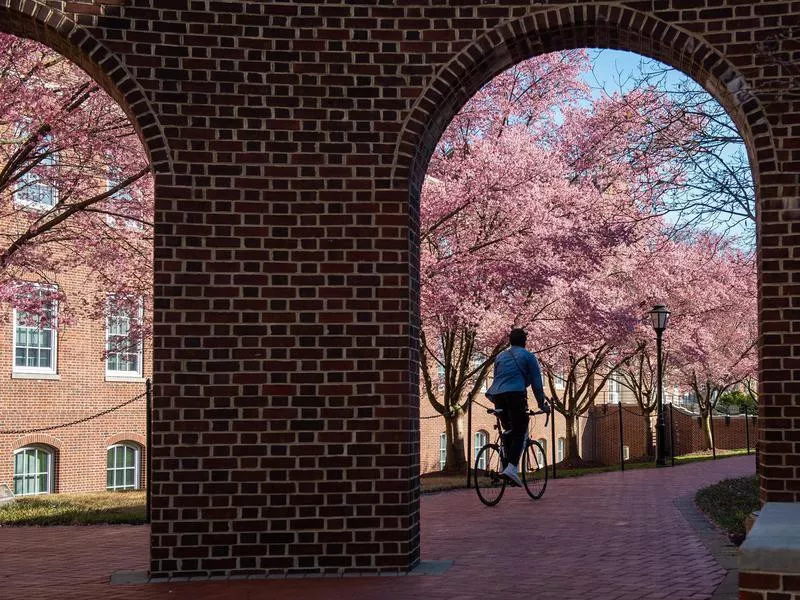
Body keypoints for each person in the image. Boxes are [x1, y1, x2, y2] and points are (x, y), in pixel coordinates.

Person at [485, 328, 550, 487]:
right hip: (515, 394)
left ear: (510, 341)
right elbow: (536, 383)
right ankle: (512, 468)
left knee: (509, 430)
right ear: (524, 341)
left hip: (497, 395)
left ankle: (506, 466)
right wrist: (542, 404)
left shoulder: (500, 356)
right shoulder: (528, 356)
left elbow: (498, 376)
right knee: (520, 429)